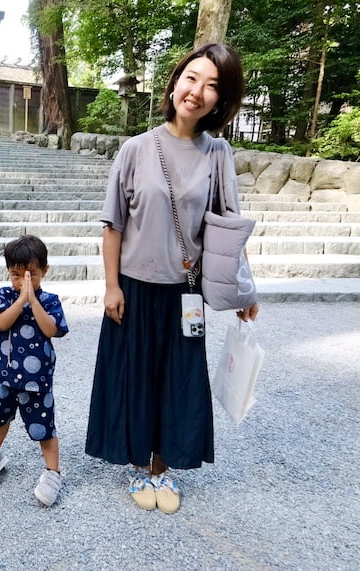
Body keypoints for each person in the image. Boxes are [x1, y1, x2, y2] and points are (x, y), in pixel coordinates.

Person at [85, 43, 260, 515]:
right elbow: (113, 224)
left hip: (186, 291)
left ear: (220, 101)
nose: (198, 91)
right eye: (191, 78)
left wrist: (245, 287)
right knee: (135, 378)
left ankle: (163, 468)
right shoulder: (136, 149)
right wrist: (111, 286)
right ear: (175, 81)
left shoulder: (217, 153)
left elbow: (228, 227)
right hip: (134, 288)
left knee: (178, 380)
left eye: (212, 86)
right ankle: (138, 466)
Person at [0, 235, 69, 506]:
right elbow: (2, 324)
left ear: (45, 270)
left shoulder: (50, 301)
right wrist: (21, 300)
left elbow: (52, 329)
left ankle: (53, 471)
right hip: (4, 375)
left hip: (37, 379)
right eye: (16, 275)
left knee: (44, 426)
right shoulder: (4, 296)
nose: (23, 281)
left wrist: (33, 300)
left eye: (31, 275)